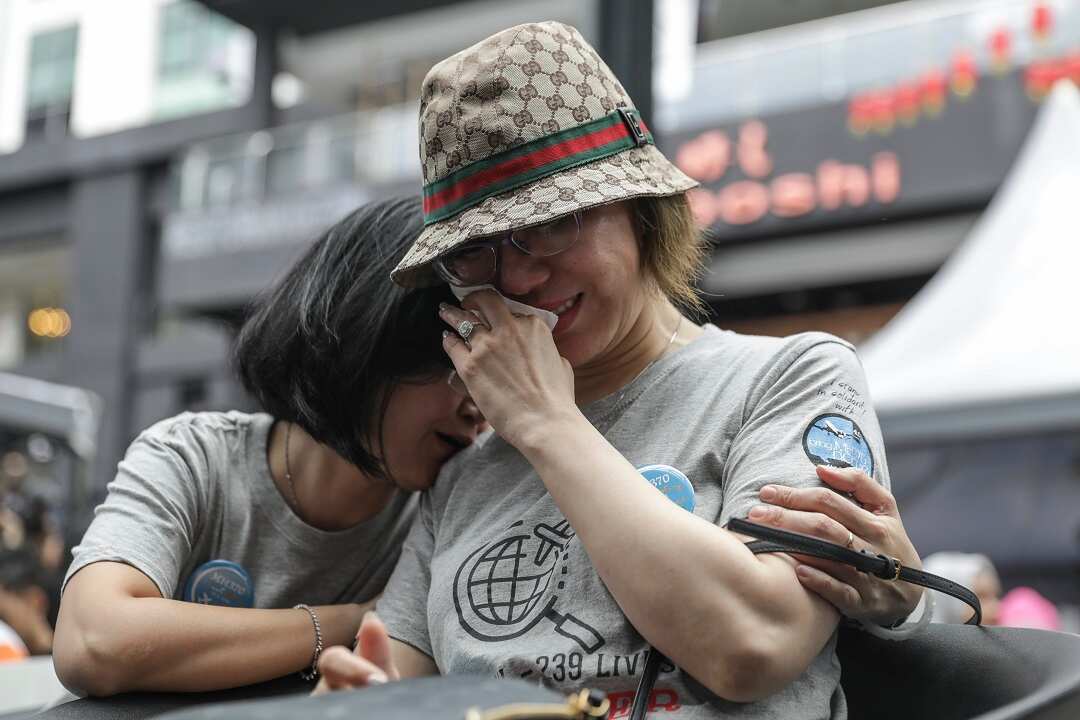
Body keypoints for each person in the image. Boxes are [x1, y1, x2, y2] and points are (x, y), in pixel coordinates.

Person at [315, 21, 923, 717]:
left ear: (641, 211)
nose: (517, 277)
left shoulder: (788, 377)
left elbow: (754, 644)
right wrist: (355, 700)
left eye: (551, 225)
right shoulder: (463, 478)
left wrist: (547, 424)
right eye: (475, 253)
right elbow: (397, 680)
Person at [52, 197, 485, 696]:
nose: (478, 401)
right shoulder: (194, 457)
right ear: (364, 337)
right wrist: (352, 621)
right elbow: (92, 641)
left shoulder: (449, 511)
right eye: (452, 358)